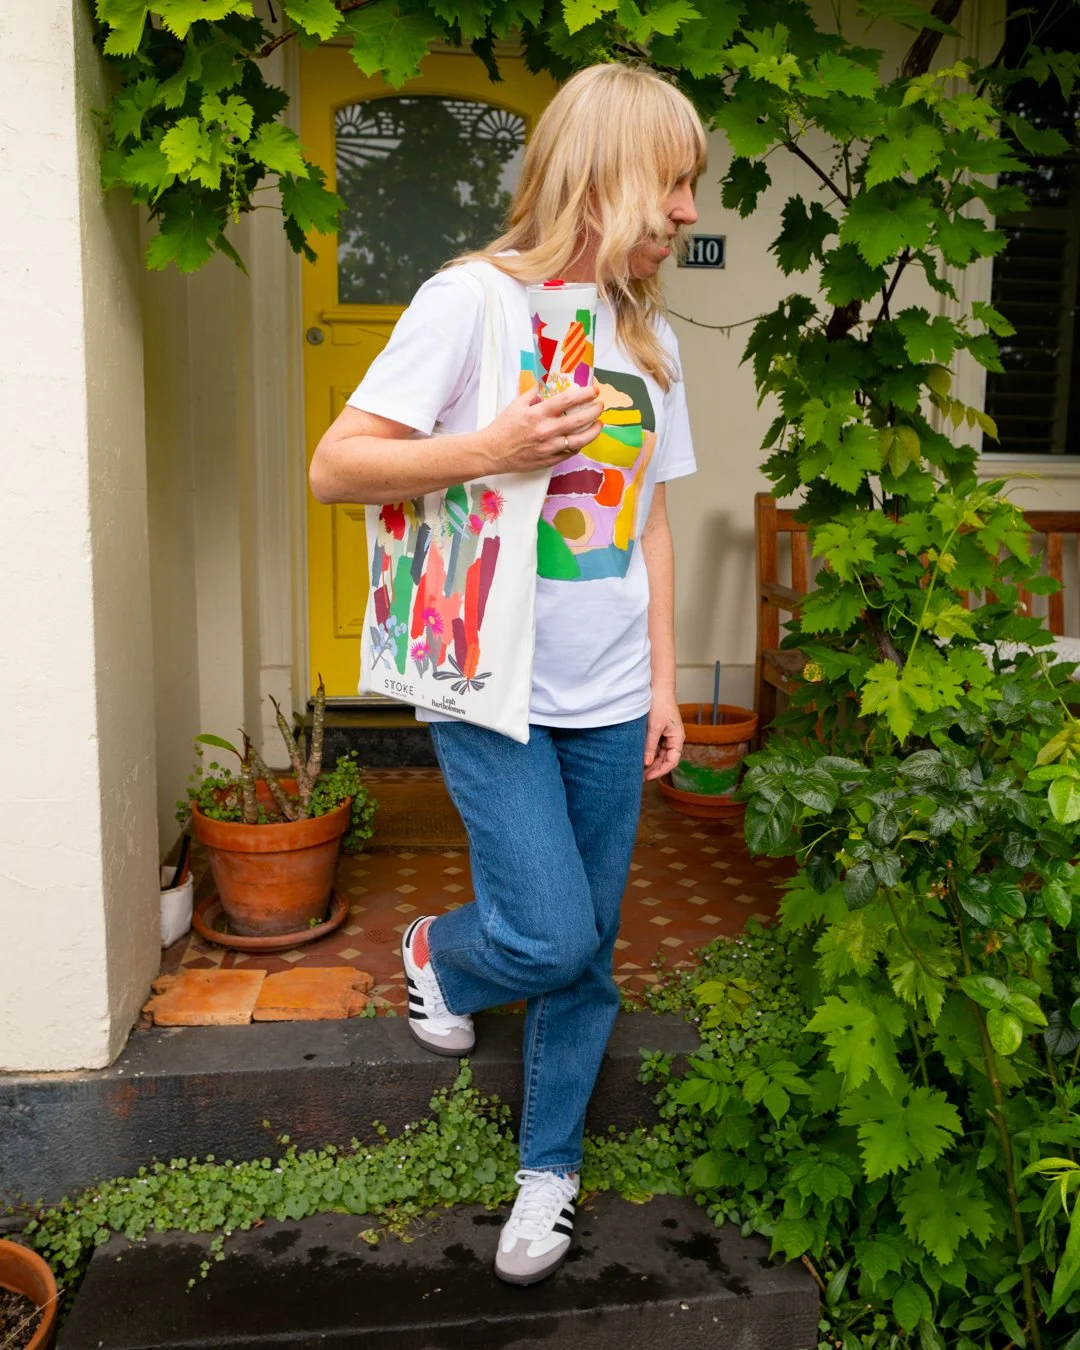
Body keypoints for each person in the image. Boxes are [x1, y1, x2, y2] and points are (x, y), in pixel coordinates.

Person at [310, 61, 706, 1285]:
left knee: (587, 951)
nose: (690, 211)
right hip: (492, 680)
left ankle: (551, 1169)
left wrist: (666, 681)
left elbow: (648, 523)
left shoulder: (650, 336)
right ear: (608, 173)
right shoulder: (468, 303)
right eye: (677, 183)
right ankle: (439, 949)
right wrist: (493, 444)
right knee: (548, 932)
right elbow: (337, 467)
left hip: (610, 692)